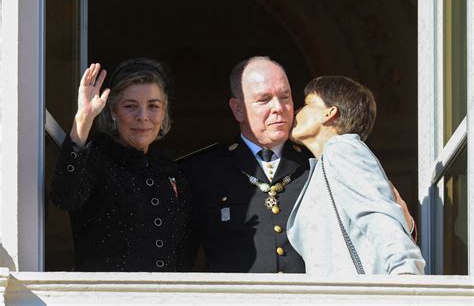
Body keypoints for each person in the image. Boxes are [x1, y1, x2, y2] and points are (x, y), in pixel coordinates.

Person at [180, 56, 416, 273]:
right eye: (264, 99)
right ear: (238, 109)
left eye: (285, 98)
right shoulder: (203, 171)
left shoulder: (321, 162)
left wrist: (407, 237)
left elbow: (377, 218)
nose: (279, 108)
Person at [51, 58, 194, 272]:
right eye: (130, 106)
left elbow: (184, 248)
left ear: (164, 112)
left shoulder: (169, 170)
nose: (143, 117)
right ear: (113, 112)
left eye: (153, 106)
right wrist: (83, 119)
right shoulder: (96, 158)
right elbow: (65, 197)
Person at [287, 76, 425, 275]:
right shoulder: (324, 165)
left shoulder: (342, 149)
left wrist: (405, 274)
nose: (297, 112)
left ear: (329, 113)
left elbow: (377, 215)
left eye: (307, 104)